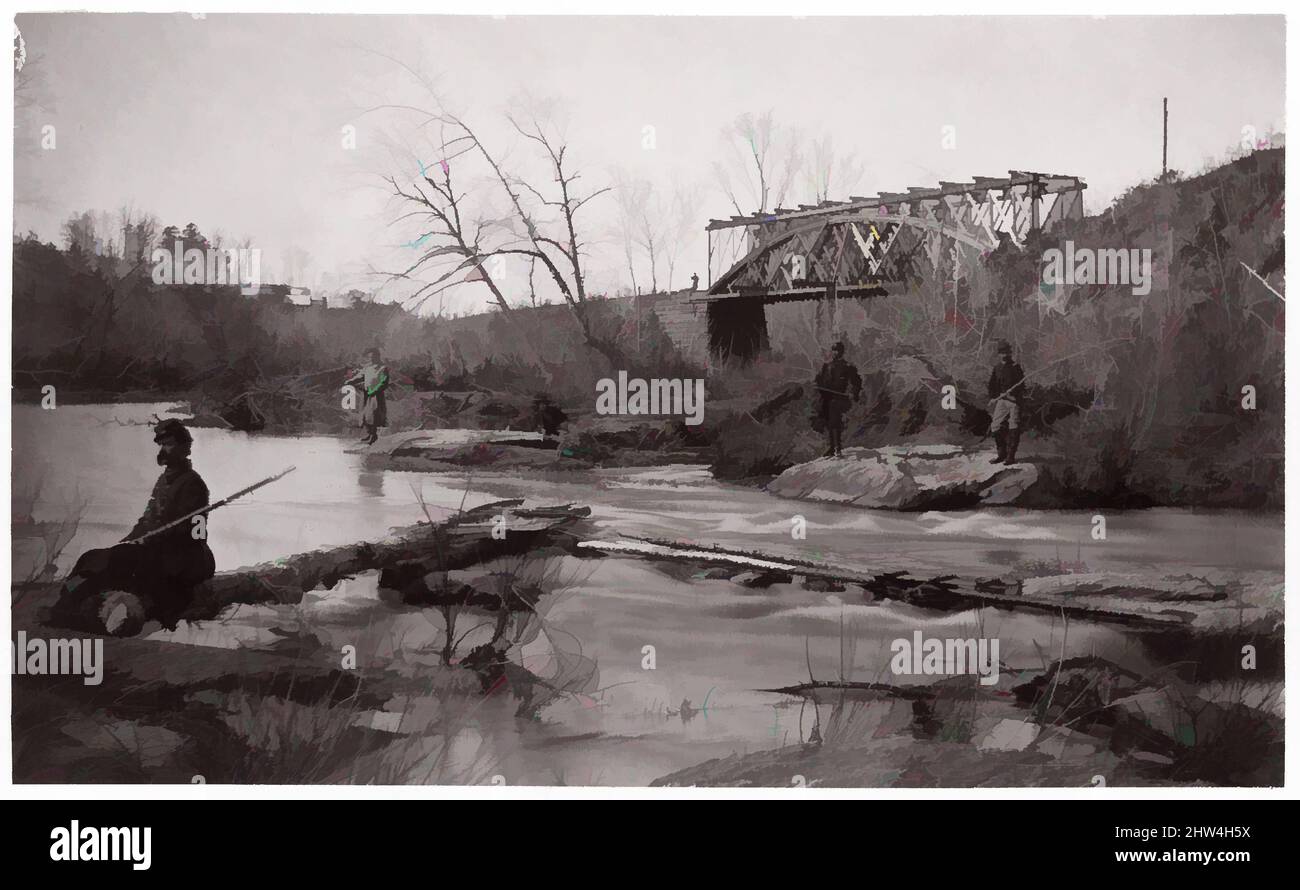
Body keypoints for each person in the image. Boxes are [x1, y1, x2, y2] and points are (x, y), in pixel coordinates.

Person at [48, 419, 216, 633]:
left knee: (121, 558)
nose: (164, 449)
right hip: (157, 548)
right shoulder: (164, 481)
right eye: (161, 444)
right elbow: (147, 519)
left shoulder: (194, 484)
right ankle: (69, 601)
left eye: (169, 444)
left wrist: (153, 539)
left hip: (185, 558)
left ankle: (77, 609)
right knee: (93, 557)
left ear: (185, 448)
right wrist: (132, 538)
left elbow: (195, 533)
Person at [814, 341, 862, 457]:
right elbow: (820, 380)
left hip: (840, 398)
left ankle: (837, 447)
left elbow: (857, 382)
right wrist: (817, 385)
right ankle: (832, 447)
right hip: (827, 397)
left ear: (842, 352)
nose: (836, 353)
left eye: (838, 350)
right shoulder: (827, 366)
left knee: (834, 419)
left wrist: (852, 393)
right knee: (827, 420)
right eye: (834, 350)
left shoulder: (848, 367)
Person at [987, 340, 1026, 464]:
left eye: (1006, 352)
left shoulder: (1016, 367)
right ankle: (1001, 454)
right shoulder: (997, 368)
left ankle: (1011, 456)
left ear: (1010, 353)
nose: (1004, 355)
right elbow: (992, 385)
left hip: (1014, 401)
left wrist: (1014, 396)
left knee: (1013, 426)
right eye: (1002, 353)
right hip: (1002, 400)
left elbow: (1022, 386)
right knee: (995, 426)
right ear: (999, 354)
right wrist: (994, 396)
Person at [346, 347, 390, 445]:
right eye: (370, 357)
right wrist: (350, 381)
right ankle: (369, 434)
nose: (371, 359)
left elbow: (384, 382)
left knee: (373, 415)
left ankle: (374, 436)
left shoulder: (383, 368)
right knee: (365, 415)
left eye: (373, 357)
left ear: (377, 356)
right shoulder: (367, 368)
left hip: (376, 396)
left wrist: (374, 390)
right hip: (366, 394)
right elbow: (360, 376)